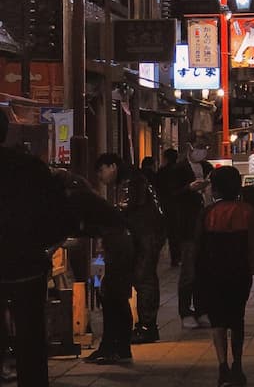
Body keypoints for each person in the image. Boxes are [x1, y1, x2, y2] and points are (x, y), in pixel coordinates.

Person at [0, 110, 71, 386]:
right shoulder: (32, 168)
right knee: (30, 332)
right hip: (26, 264)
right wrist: (43, 246)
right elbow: (59, 216)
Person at [56, 171, 135, 367]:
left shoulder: (76, 197)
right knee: (108, 294)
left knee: (111, 295)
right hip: (109, 246)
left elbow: (72, 226)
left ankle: (114, 348)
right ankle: (115, 347)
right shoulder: (86, 196)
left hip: (113, 247)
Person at [194, 166, 254, 387]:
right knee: (237, 319)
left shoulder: (207, 213)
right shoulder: (247, 211)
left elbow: (199, 249)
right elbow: (253, 244)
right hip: (239, 273)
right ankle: (238, 365)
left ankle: (222, 366)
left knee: (218, 321)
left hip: (213, 274)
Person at [95, 152, 166, 344]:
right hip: (148, 233)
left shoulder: (132, 179)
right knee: (143, 278)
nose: (101, 178)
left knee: (144, 278)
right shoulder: (133, 177)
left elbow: (128, 206)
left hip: (147, 234)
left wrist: (107, 215)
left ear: (112, 167)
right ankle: (145, 325)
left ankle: (147, 327)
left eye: (101, 171)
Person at [171, 133, 214, 328]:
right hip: (188, 226)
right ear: (190, 146)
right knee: (188, 271)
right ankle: (185, 312)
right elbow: (171, 195)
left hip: (207, 223)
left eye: (205, 146)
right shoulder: (179, 170)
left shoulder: (208, 168)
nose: (202, 150)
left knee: (204, 270)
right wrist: (189, 188)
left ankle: (202, 309)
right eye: (199, 146)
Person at [156, 148, 181, 266]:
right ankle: (179, 256)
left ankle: (174, 257)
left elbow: (158, 188)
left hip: (166, 204)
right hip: (179, 204)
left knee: (170, 231)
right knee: (178, 230)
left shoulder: (162, 172)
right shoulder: (181, 170)